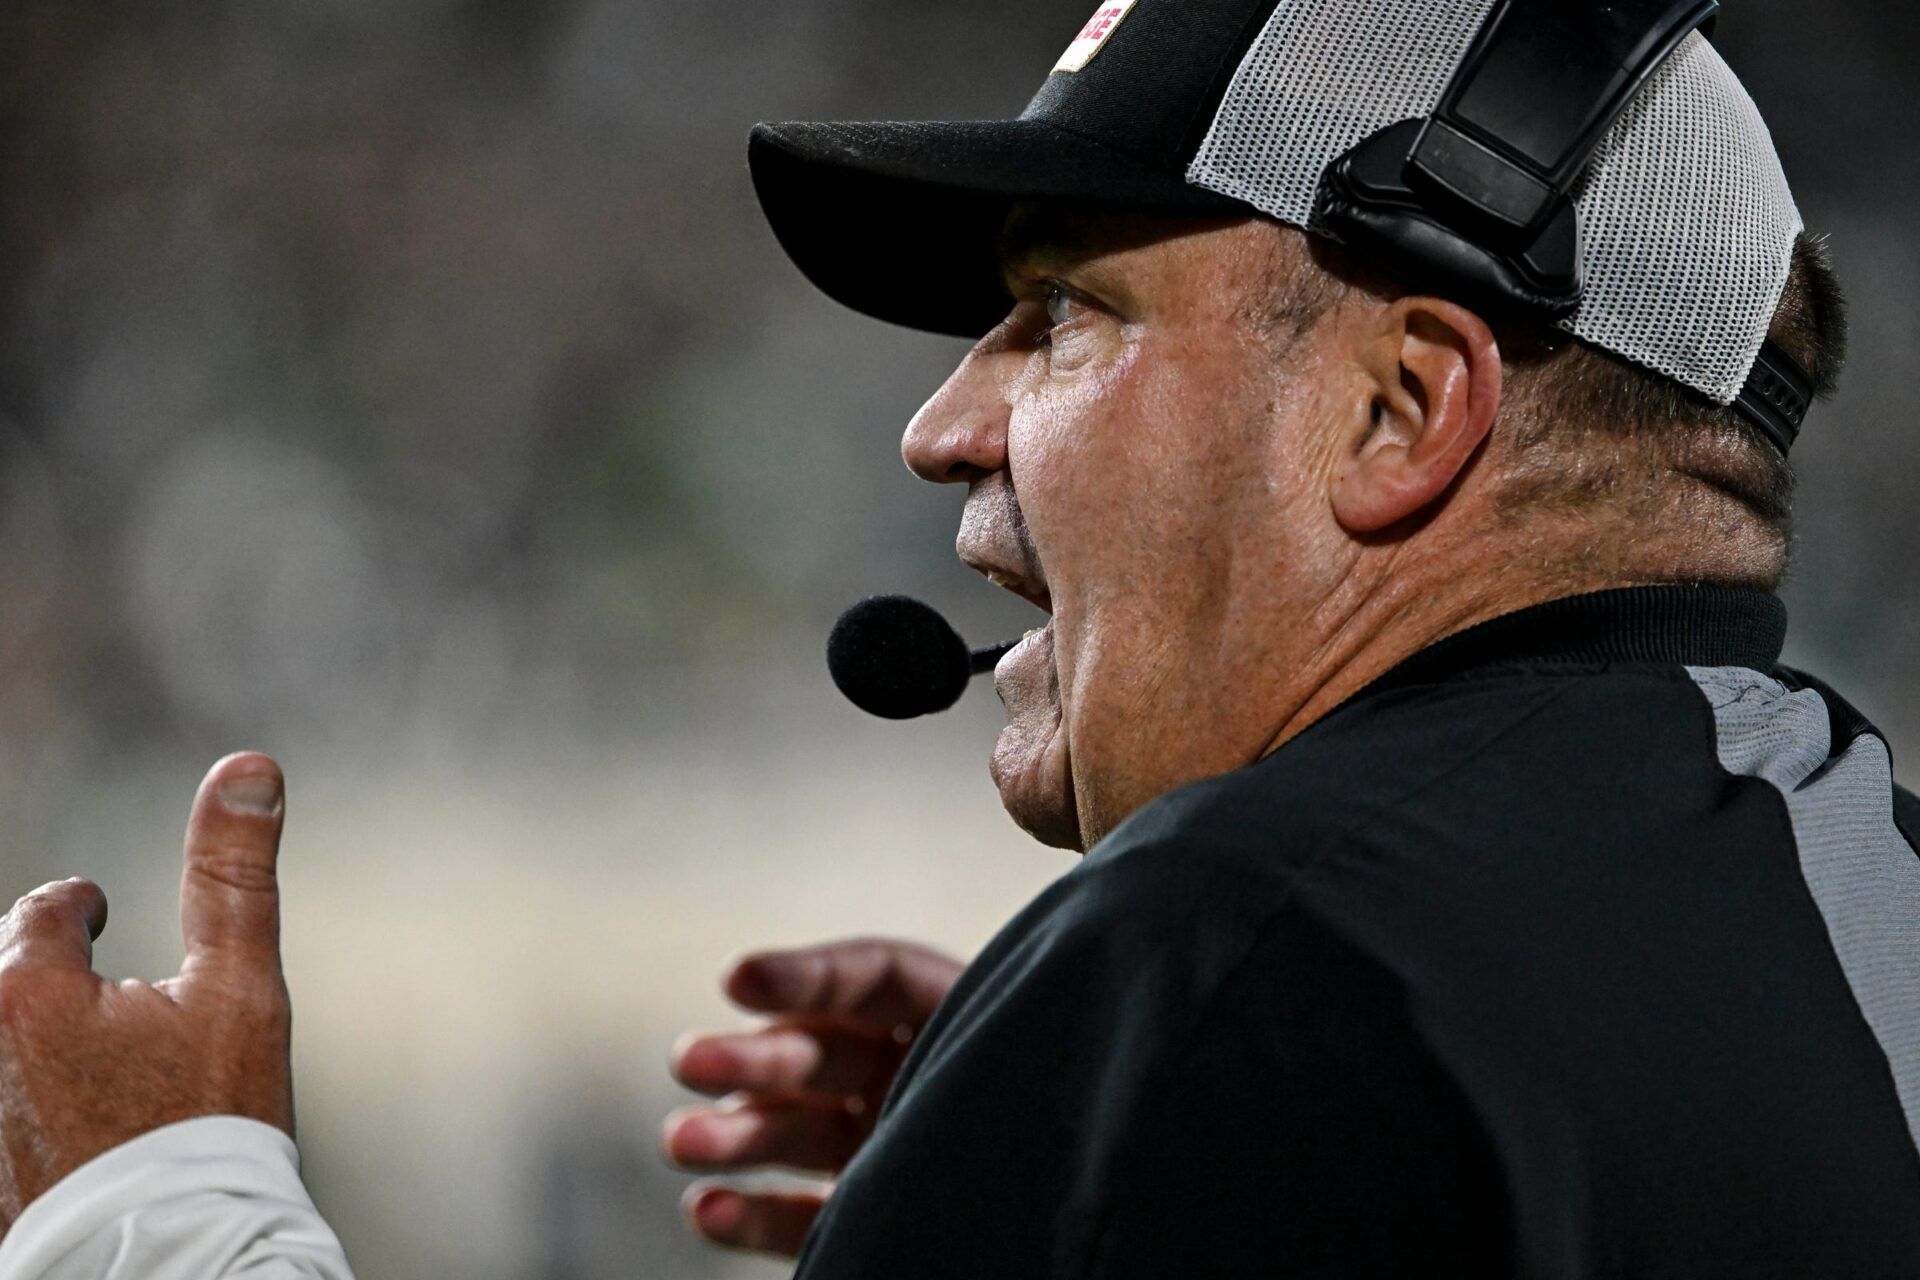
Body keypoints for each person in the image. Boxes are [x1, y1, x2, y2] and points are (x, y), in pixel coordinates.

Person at [0, 3, 1915, 1278]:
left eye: (1061, 316)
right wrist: (1143, 1149)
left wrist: (154, 1212)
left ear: (1402, 412)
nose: (941, 425)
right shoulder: (1851, 863)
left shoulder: (1252, 943)